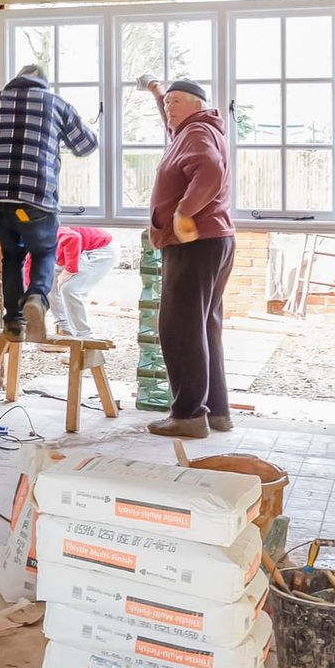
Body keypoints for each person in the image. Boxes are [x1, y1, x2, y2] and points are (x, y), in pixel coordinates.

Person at [0, 65, 98, 340]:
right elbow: (86, 145)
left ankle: (14, 322)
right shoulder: (56, 104)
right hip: (33, 200)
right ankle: (37, 298)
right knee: (44, 250)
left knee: (13, 253)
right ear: (42, 84)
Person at [143, 76, 235, 438]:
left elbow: (209, 169)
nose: (169, 107)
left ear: (199, 104)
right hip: (213, 241)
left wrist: (183, 213)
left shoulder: (196, 134)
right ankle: (217, 412)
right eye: (167, 103)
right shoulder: (193, 130)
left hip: (194, 242)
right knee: (202, 327)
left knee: (179, 329)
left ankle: (188, 416)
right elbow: (174, 127)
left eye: (176, 101)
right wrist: (158, 96)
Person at [27, 225, 117, 339]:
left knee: (70, 289)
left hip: (100, 249)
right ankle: (65, 330)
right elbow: (30, 266)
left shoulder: (44, 227)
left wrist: (70, 269)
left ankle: (84, 336)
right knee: (50, 284)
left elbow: (73, 237)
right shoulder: (32, 241)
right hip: (77, 249)